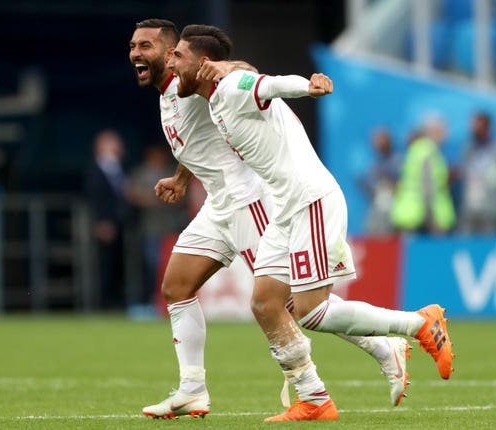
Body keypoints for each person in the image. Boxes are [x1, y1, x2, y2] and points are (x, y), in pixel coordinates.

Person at [129, 19, 413, 420]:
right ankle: (192, 389)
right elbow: (200, 141)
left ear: (173, 53)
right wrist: (180, 177)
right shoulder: (169, 92)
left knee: (291, 304)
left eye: (147, 46)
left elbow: (241, 73)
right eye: (133, 46)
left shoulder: (190, 78)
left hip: (252, 201)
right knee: (176, 287)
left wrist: (231, 68)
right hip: (218, 205)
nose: (137, 53)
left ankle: (381, 350)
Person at [127, 144, 189, 304]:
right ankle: (150, 300)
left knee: (169, 266)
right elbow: (131, 193)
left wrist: (170, 197)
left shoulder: (171, 172)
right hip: (150, 228)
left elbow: (183, 195)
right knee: (151, 265)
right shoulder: (140, 173)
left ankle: (167, 301)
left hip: (170, 228)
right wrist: (153, 198)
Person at [84, 128, 129, 309]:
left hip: (121, 224)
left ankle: (116, 301)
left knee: (119, 265)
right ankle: (103, 304)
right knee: (104, 265)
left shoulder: (118, 168)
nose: (118, 146)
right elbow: (95, 197)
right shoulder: (95, 170)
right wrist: (101, 221)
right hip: (106, 224)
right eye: (112, 142)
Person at [391, 116, 457, 234]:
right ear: (433, 131)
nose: (446, 134)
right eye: (442, 130)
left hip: (407, 213)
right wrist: (432, 219)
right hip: (419, 215)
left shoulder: (416, 149)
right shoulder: (428, 151)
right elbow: (428, 188)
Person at [458, 112, 496, 234]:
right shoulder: (468, 150)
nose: (475, 130)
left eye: (479, 126)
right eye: (474, 126)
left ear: (488, 128)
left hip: (491, 208)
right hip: (470, 208)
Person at [359, 128, 401, 236]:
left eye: (380, 140)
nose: (377, 144)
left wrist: (389, 186)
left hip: (394, 208)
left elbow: (401, 183)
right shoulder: (375, 164)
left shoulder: (398, 160)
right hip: (378, 207)